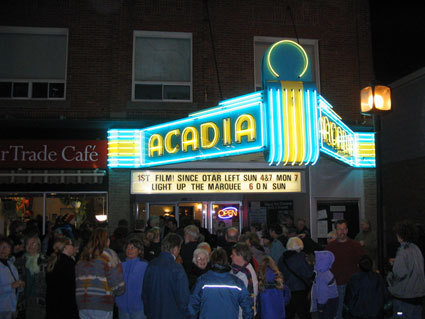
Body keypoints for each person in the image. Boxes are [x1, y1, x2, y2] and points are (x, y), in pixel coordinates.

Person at [188, 248, 253, 319]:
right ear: (226, 261)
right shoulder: (237, 283)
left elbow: (192, 305)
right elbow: (247, 306)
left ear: (211, 261)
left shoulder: (202, 281)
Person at [75, 228, 125, 319]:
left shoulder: (84, 256)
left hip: (83, 303)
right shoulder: (109, 255)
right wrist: (119, 291)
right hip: (101, 303)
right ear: (107, 241)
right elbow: (117, 282)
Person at [142, 233, 190, 319]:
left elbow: (145, 292)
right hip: (174, 314)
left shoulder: (152, 264)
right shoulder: (177, 268)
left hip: (154, 313)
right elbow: (183, 298)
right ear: (175, 249)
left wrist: (148, 311)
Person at [325, 220, 365, 319]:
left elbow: (364, 263)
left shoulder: (356, 246)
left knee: (354, 311)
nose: (342, 232)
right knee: (337, 312)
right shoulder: (330, 247)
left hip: (353, 285)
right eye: (339, 229)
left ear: (347, 230)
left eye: (344, 229)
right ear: (336, 231)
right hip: (336, 285)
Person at [387, 220, 425, 318]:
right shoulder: (415, 248)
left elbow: (399, 273)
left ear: (400, 235)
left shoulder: (403, 251)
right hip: (418, 295)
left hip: (405, 296)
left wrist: (390, 275)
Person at [278, 237, 313, 319]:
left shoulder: (282, 258)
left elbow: (280, 273)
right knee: (304, 314)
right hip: (300, 290)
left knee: (289, 314)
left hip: (287, 290)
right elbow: (308, 273)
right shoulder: (302, 257)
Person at [15, 236, 48, 319]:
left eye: (33, 243)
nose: (30, 246)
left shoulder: (45, 261)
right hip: (23, 301)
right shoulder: (19, 261)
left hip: (40, 300)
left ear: (38, 246)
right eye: (27, 244)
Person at [46, 236, 78, 319]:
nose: (73, 247)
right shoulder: (69, 264)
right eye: (71, 245)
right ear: (65, 247)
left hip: (53, 304)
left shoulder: (53, 261)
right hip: (66, 305)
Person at [115, 238, 148, 319]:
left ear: (139, 251)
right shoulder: (120, 265)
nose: (129, 250)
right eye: (128, 248)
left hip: (139, 308)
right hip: (122, 308)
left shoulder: (145, 266)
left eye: (133, 248)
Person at [345, 255, 386, 319]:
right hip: (375, 313)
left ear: (358, 265)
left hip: (357, 313)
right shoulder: (378, 278)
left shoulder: (354, 279)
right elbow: (384, 295)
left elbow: (349, 297)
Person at [230, 242, 258, 318]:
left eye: (233, 254)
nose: (230, 256)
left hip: (242, 315)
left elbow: (245, 300)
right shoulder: (241, 269)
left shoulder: (245, 274)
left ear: (240, 256)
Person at [0, 236, 25, 319]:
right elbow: (11, 286)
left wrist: (21, 286)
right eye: (0, 247)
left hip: (12, 308)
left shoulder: (11, 265)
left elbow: (15, 287)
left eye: (5, 247)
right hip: (2, 309)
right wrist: (10, 286)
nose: (2, 250)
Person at [310, 250, 338, 319]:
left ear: (321, 262)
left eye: (316, 260)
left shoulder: (322, 275)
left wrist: (320, 306)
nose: (314, 261)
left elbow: (323, 292)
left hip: (326, 303)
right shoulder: (326, 271)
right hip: (330, 301)